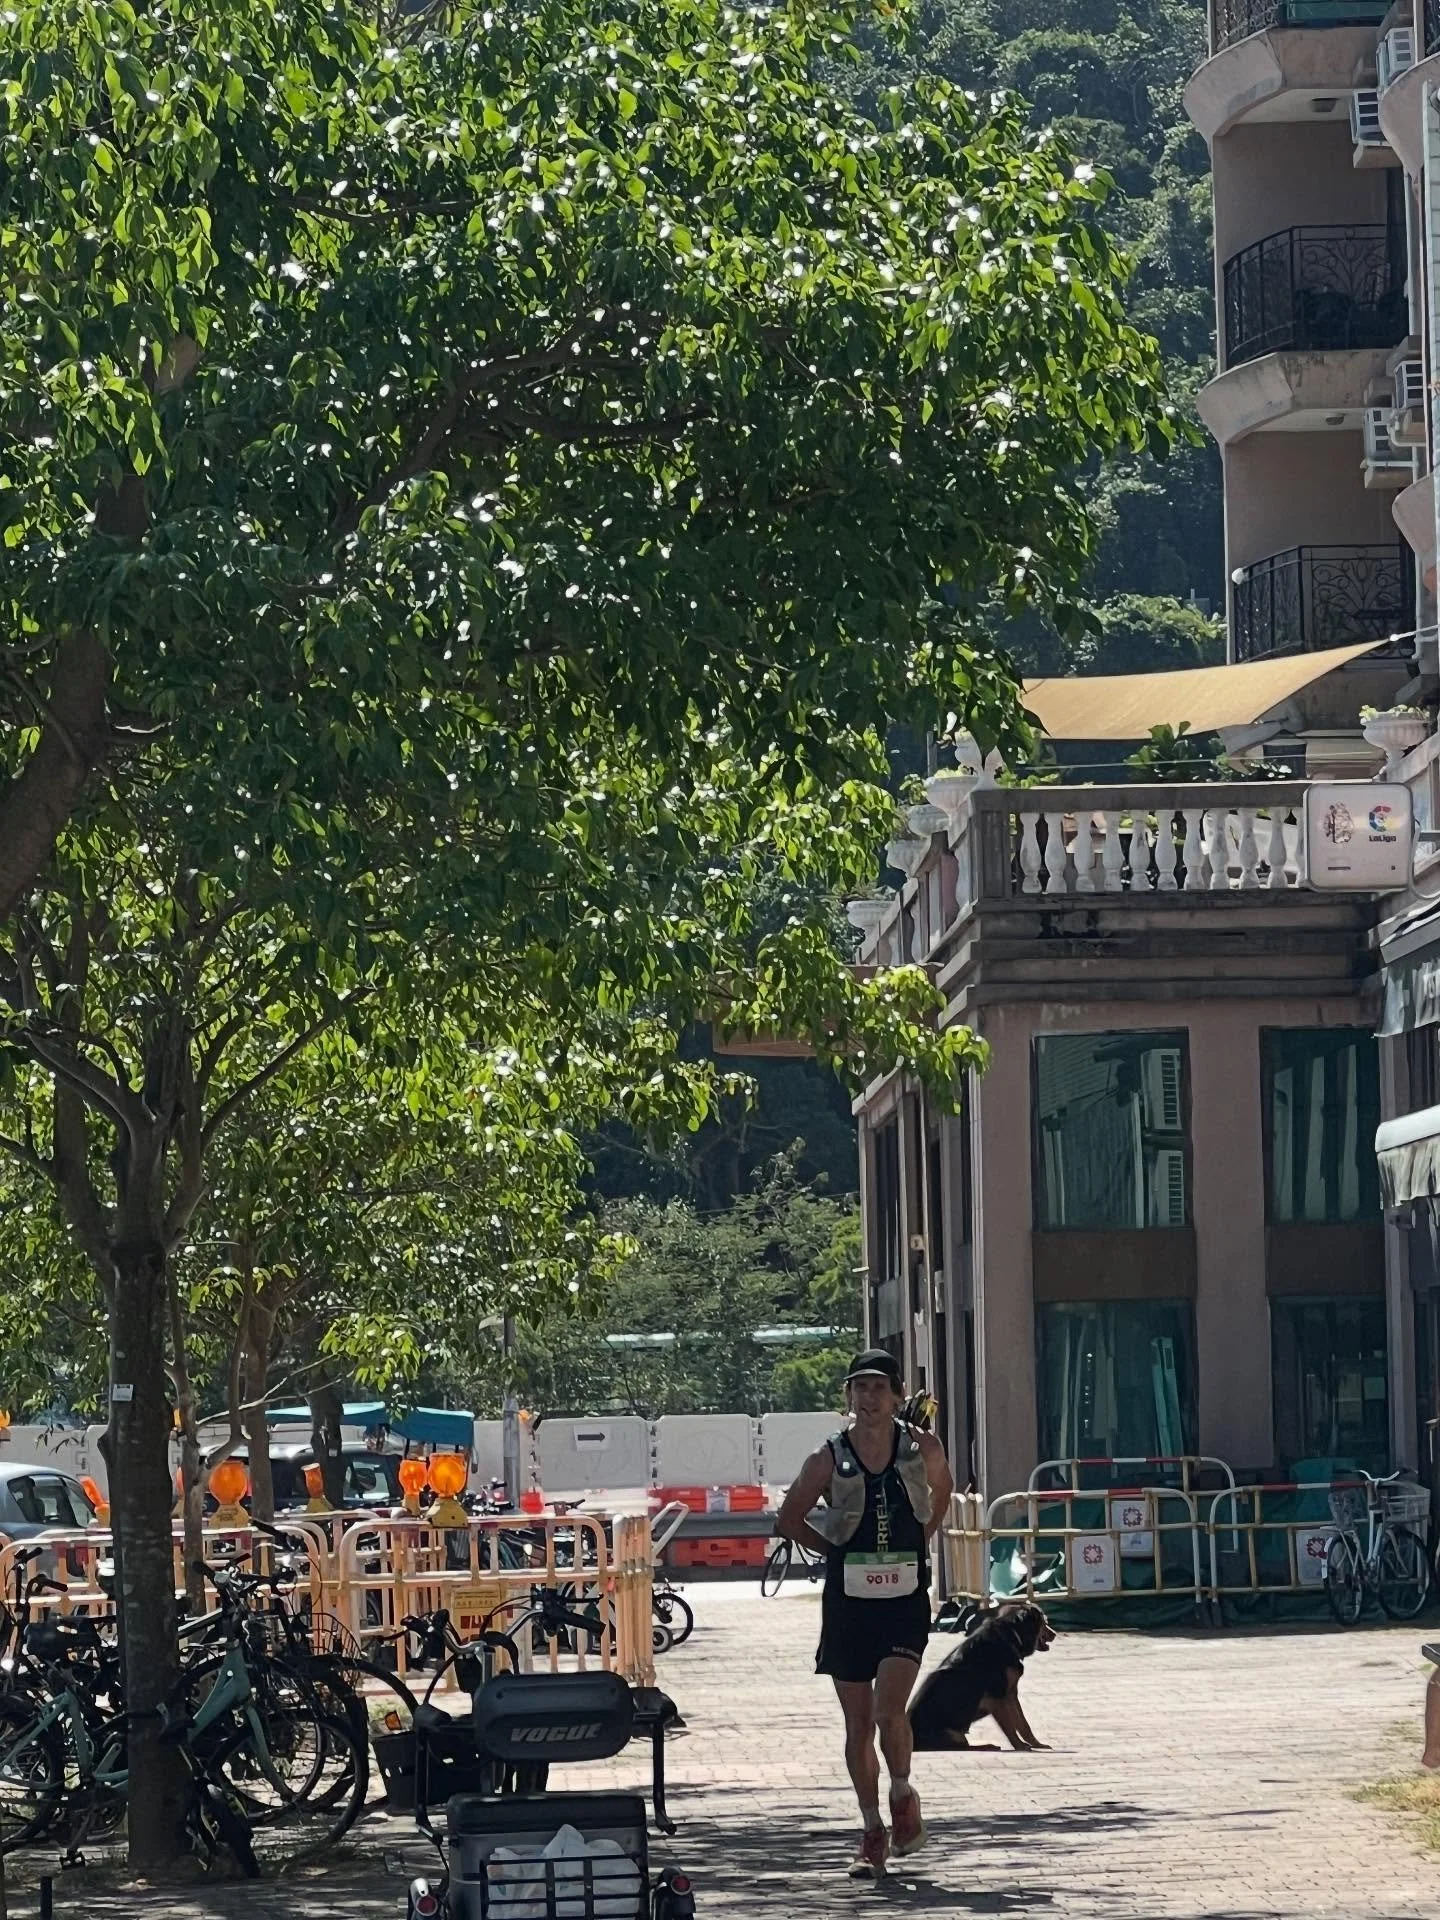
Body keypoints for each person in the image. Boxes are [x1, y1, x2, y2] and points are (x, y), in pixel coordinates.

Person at [776, 1348, 955, 1878]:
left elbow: (943, 1492)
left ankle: (903, 1794)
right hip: (849, 1606)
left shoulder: (920, 1446)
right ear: (848, 1396)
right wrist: (834, 1551)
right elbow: (788, 1518)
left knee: (888, 1711)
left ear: (898, 1394)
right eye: (860, 1387)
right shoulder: (827, 1457)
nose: (869, 1397)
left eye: (879, 1387)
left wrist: (920, 1538)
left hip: (903, 1602)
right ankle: (871, 1829)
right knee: (857, 1724)